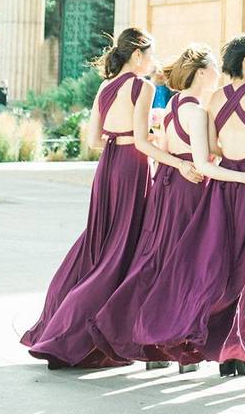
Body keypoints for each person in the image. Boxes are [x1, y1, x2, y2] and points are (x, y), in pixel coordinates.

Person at [21, 28, 204, 368]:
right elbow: (142, 143)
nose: (153, 63)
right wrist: (177, 159)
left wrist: (138, 130)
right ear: (137, 56)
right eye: (150, 55)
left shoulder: (105, 87)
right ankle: (69, 334)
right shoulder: (142, 86)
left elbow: (93, 139)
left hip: (107, 168)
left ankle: (63, 327)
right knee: (120, 253)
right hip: (132, 171)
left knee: (100, 247)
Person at [89, 44, 245, 369]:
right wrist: (244, 178)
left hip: (165, 189)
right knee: (188, 269)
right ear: (201, 72)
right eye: (214, 67)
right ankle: (181, 348)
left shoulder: (173, 104)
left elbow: (179, 148)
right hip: (190, 192)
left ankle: (152, 347)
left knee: (160, 263)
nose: (219, 73)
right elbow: (205, 164)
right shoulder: (196, 111)